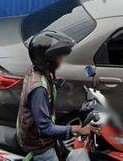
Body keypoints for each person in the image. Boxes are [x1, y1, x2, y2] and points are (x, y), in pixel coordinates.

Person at [16, 31, 97, 161]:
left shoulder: (36, 70)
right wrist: (77, 129)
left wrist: (57, 83)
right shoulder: (39, 90)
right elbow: (45, 128)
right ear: (48, 60)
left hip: (31, 133)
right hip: (38, 145)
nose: (61, 59)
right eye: (59, 56)